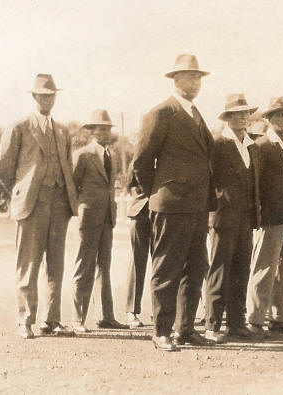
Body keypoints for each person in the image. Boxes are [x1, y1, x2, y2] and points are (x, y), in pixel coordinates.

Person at [132, 54, 216, 352]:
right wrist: (159, 192)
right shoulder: (162, 112)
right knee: (166, 269)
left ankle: (185, 329)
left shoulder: (195, 113)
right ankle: (161, 331)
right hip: (170, 205)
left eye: (198, 77)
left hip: (196, 205)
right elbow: (141, 162)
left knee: (195, 268)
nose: (194, 82)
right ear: (175, 79)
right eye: (189, 76)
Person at [0, 73, 78, 339]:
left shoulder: (63, 130)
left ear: (55, 98)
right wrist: (20, 191)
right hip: (32, 204)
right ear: (34, 97)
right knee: (28, 264)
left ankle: (51, 321)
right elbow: (1, 167)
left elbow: (68, 167)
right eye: (42, 95)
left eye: (51, 95)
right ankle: (25, 321)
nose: (47, 100)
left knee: (55, 265)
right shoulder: (19, 127)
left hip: (59, 204)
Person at [204, 93, 260, 342]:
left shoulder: (251, 146)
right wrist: (213, 213)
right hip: (224, 217)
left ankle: (236, 323)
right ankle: (212, 325)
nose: (243, 118)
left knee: (241, 269)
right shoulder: (218, 143)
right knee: (220, 270)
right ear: (228, 117)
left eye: (246, 113)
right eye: (238, 114)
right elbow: (210, 180)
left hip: (246, 218)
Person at [247, 96, 283, 337]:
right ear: (268, 119)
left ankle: (280, 318)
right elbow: (255, 184)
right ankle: (255, 319)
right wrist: (259, 215)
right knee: (264, 267)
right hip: (270, 217)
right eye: (279, 114)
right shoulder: (261, 146)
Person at [68, 110, 124, 333]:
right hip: (88, 216)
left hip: (107, 217)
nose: (105, 132)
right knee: (84, 266)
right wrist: (80, 209)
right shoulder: (82, 155)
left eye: (107, 128)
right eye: (100, 128)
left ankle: (106, 316)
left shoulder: (113, 155)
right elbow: (72, 186)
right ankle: (77, 319)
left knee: (105, 267)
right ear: (91, 131)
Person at [124, 174, 150, 328]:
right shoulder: (141, 153)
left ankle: (160, 311)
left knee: (163, 263)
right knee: (136, 261)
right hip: (140, 212)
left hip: (163, 212)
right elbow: (131, 181)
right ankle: (131, 310)